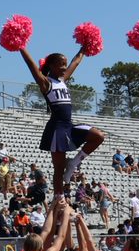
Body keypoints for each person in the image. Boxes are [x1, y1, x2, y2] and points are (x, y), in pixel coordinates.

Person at [18, 46, 104, 197]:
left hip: (69, 126)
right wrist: (21, 45)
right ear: (51, 66)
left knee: (98, 136)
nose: (64, 67)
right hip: (57, 129)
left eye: (65, 64)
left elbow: (76, 62)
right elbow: (31, 65)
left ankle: (73, 164)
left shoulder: (62, 80)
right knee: (58, 169)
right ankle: (59, 197)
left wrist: (84, 46)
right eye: (61, 64)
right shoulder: (46, 83)